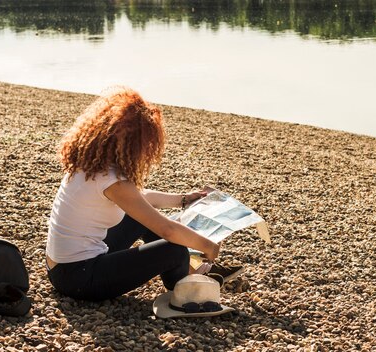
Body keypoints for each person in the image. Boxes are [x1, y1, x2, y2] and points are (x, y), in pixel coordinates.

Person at [45, 87, 242, 301]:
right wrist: (208, 246)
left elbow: (139, 199)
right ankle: (187, 286)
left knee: (142, 219)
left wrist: (184, 199)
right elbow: (166, 229)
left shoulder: (90, 163)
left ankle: (190, 272)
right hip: (79, 279)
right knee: (173, 249)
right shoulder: (112, 181)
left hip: (64, 268)